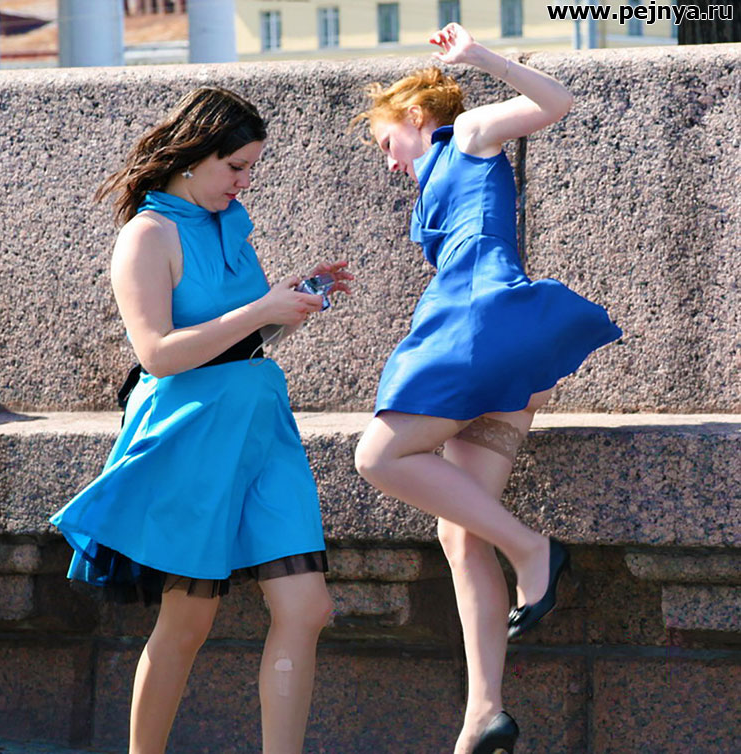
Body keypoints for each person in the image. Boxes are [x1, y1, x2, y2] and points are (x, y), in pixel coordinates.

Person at [50, 86, 352, 754]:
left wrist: (294, 303)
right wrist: (261, 309)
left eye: (251, 168)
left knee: (309, 608)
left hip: (263, 426)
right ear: (193, 156)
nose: (245, 182)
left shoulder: (229, 225)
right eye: (235, 166)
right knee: (187, 623)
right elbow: (157, 353)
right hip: (193, 434)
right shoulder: (147, 235)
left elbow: (241, 339)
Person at [352, 24, 621, 754]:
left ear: (415, 117)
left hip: (477, 319)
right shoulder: (439, 175)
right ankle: (484, 711)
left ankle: (534, 551)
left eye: (386, 143)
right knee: (459, 528)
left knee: (377, 456)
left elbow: (556, 102)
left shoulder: (465, 134)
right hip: (502, 345)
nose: (388, 162)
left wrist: (477, 58)